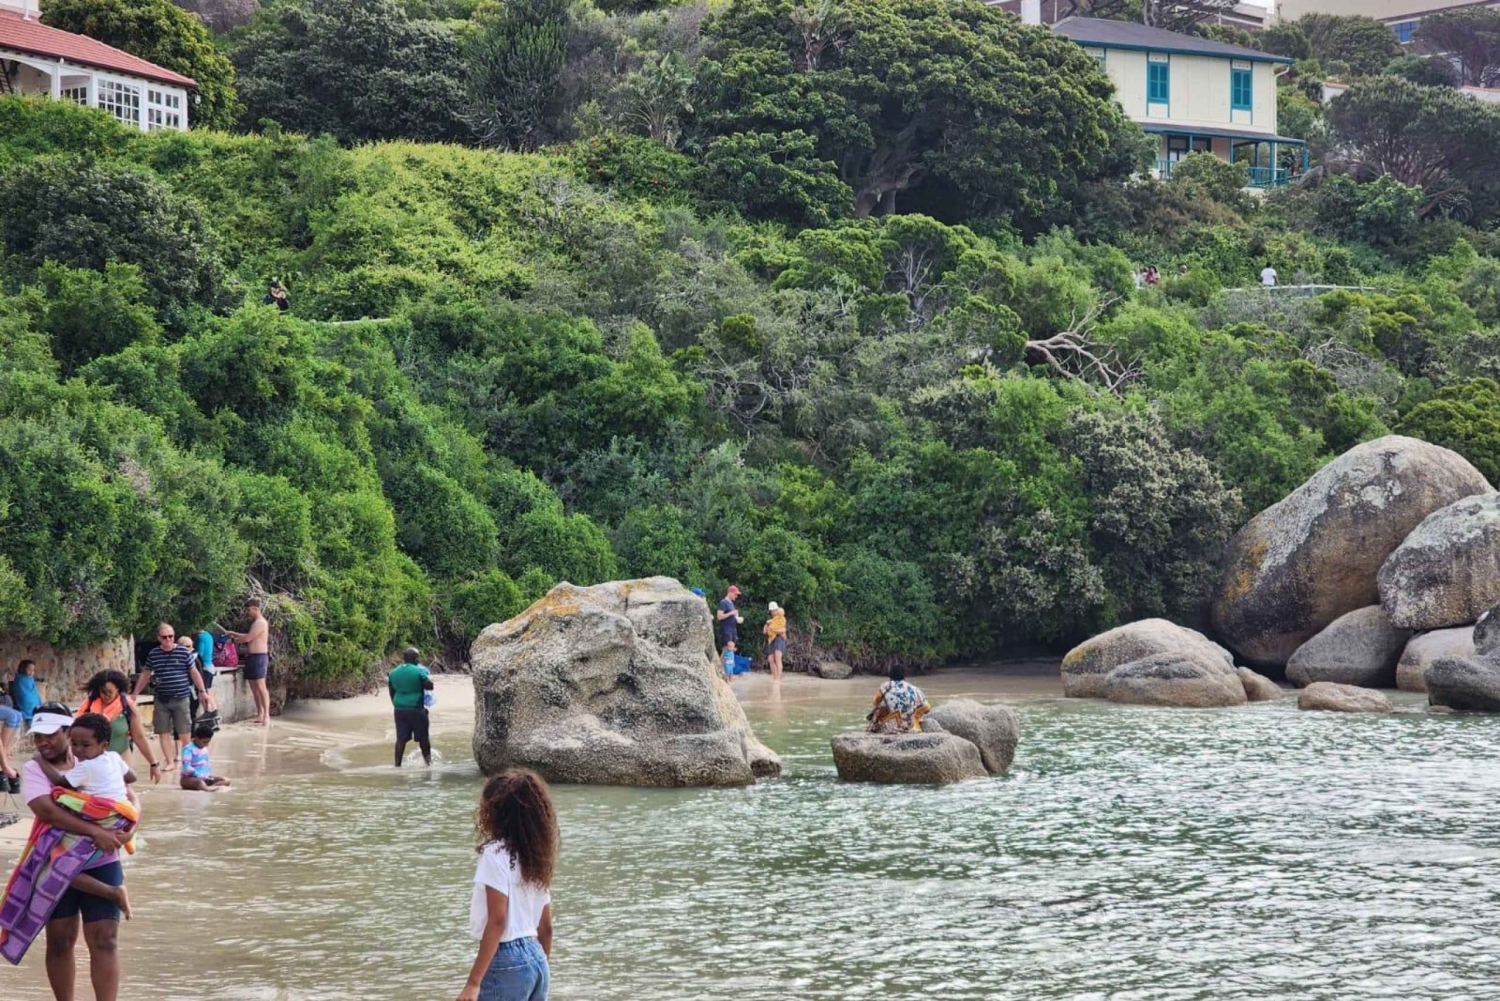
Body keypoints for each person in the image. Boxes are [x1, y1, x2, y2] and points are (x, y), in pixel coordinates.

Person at [14, 704, 132, 997]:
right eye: (37, 737)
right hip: (59, 853)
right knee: (60, 941)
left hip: (103, 859)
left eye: (50, 735)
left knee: (105, 940)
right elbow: (48, 812)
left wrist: (133, 822)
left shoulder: (103, 762)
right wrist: (97, 831)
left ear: (68, 732)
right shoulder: (34, 768)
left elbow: (130, 795)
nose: (42, 743)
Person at [457, 769, 557, 1001]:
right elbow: (547, 928)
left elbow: (498, 919)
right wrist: (539, 966)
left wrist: (472, 983)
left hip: (505, 958)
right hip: (537, 957)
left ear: (494, 812)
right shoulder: (535, 858)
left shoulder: (494, 853)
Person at [131, 624, 213, 769]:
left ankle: (187, 761)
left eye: (171, 636)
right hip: (161, 699)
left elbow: (194, 672)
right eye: (164, 637)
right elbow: (145, 675)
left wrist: (203, 691)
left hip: (181, 697)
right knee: (163, 732)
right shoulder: (154, 654)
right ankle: (169, 762)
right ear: (159, 638)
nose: (168, 639)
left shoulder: (183, 652)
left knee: (184, 732)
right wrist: (135, 694)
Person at [77, 671, 161, 785]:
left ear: (118, 689)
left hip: (122, 757)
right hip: (92, 762)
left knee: (123, 792)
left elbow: (139, 737)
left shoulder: (127, 707)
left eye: (109, 692)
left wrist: (153, 764)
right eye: (102, 692)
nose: (105, 696)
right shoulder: (88, 706)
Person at [226, 599, 271, 726]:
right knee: (254, 687)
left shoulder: (261, 623)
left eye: (248, 609)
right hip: (251, 657)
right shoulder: (255, 623)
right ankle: (260, 713)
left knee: (261, 686)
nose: (247, 612)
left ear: (255, 609)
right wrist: (233, 633)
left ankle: (266, 715)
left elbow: (248, 638)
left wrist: (234, 640)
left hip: (259, 657)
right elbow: (249, 635)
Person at [388, 647, 435, 768]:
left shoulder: (393, 673)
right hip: (416, 709)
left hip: (399, 710)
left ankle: (397, 765)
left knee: (401, 739)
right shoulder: (418, 671)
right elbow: (430, 686)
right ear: (415, 658)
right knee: (423, 738)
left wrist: (398, 704)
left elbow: (392, 692)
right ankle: (428, 764)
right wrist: (427, 678)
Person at [866, 666, 931, 734]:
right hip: (909, 725)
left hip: (891, 725)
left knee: (878, 709)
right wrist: (916, 714)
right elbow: (927, 707)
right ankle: (912, 725)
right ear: (904, 675)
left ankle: (874, 728)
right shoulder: (914, 689)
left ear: (890, 675)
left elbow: (876, 702)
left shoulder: (886, 686)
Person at [179, 723, 230, 791]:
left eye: (208, 742)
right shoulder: (188, 749)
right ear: (196, 738)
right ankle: (207, 789)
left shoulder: (204, 749)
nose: (207, 745)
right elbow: (187, 768)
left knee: (226, 780)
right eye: (205, 742)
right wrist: (200, 776)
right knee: (200, 783)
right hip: (189, 779)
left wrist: (207, 777)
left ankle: (209, 788)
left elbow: (206, 765)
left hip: (205, 778)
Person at [11, 659, 42, 724]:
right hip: (26, 705)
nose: (31, 672)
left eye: (33, 670)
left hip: (34, 705)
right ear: (23, 669)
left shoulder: (30, 679)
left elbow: (34, 693)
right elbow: (23, 695)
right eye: (29, 669)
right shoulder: (20, 680)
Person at [763, 602, 787, 682]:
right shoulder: (770, 621)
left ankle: (778, 678)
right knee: (770, 659)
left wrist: (773, 629)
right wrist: (767, 624)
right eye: (772, 611)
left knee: (777, 658)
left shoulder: (781, 619)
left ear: (777, 610)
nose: (773, 612)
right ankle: (775, 677)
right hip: (771, 640)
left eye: (774, 610)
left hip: (779, 639)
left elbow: (783, 630)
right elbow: (764, 632)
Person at [716, 585, 742, 656]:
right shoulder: (723, 602)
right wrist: (731, 613)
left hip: (733, 629)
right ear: (730, 592)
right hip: (726, 630)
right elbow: (719, 616)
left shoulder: (731, 603)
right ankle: (721, 666)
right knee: (726, 649)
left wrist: (736, 616)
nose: (736, 596)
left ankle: (728, 666)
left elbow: (732, 616)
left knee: (731, 649)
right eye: (735, 594)